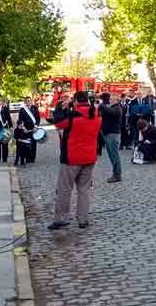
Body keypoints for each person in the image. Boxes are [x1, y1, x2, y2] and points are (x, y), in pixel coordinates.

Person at [48, 91, 102, 230]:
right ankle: (83, 219)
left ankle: (61, 218)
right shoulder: (96, 114)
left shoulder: (72, 116)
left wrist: (61, 107)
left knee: (64, 189)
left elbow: (58, 123)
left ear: (76, 101)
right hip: (89, 157)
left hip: (71, 158)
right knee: (84, 189)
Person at [99, 92, 124, 182]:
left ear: (116, 100)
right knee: (111, 155)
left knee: (114, 155)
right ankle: (116, 174)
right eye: (110, 99)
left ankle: (117, 175)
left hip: (112, 134)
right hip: (108, 134)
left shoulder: (117, 108)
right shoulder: (112, 107)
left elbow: (110, 112)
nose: (110, 100)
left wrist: (101, 105)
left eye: (111, 99)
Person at [18, 96, 41, 162]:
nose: (28, 102)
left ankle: (32, 158)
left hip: (34, 128)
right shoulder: (22, 110)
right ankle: (27, 158)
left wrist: (36, 126)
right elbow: (20, 120)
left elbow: (38, 118)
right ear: (25, 102)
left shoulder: (35, 108)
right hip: (26, 129)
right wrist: (23, 127)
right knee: (27, 144)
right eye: (27, 101)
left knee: (34, 144)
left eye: (29, 100)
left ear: (31, 101)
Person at [0, 96, 11, 163]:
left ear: (2, 102)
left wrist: (11, 126)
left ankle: (5, 158)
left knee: (5, 144)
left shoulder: (5, 108)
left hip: (5, 127)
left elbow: (8, 117)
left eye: (0, 101)